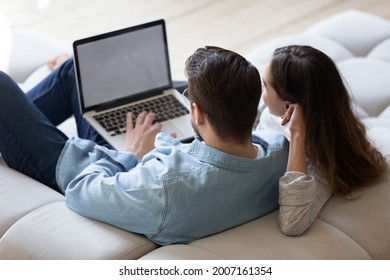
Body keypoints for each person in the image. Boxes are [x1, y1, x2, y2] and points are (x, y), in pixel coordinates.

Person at [0, 46, 288, 245]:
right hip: (147, 157)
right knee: (77, 70)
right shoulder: (280, 154)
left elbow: (79, 189)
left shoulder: (164, 188)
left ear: (197, 113)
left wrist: (130, 153)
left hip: (74, 167)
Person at [255, 45, 388, 236]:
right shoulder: (271, 112)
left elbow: (293, 222)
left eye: (265, 86)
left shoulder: (318, 162)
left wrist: (297, 135)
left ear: (287, 105)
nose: (261, 92)